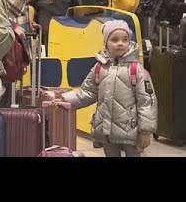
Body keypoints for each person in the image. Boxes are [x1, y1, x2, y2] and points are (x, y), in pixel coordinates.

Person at [52, 20, 157, 157]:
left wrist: (145, 131)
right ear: (105, 43)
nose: (120, 43)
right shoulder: (99, 68)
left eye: (125, 40)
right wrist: (64, 100)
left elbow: (147, 101)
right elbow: (88, 92)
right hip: (107, 130)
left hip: (132, 130)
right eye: (114, 39)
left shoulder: (136, 70)